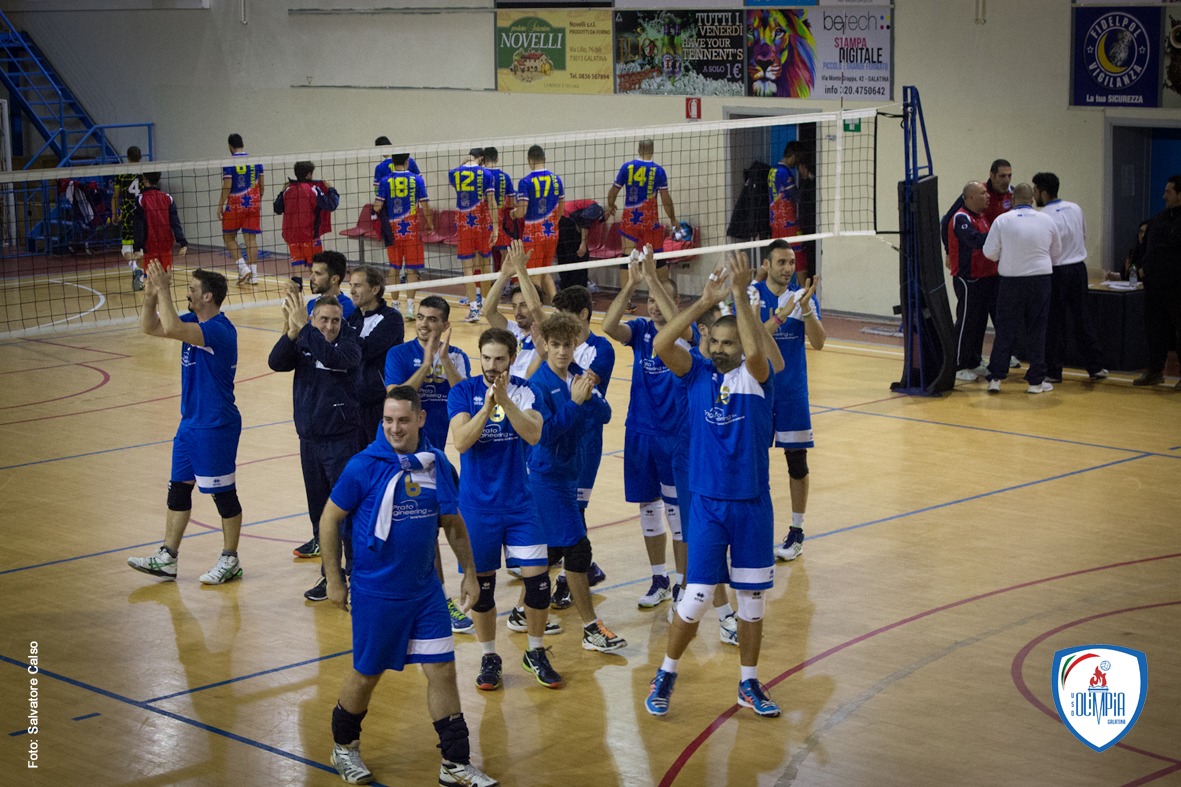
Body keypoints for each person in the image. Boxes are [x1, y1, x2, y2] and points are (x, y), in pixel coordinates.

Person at [319, 387, 498, 787]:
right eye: (388, 420)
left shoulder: (435, 465)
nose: (395, 428)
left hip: (425, 593)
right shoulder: (363, 467)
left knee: (443, 671)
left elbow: (452, 523)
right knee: (367, 675)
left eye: (402, 420)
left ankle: (454, 762)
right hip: (376, 594)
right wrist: (334, 578)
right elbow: (329, 519)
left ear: (420, 419)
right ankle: (343, 747)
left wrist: (469, 572)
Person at [645, 253, 779, 718]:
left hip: (752, 505)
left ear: (741, 345)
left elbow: (758, 355)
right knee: (697, 596)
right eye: (715, 341)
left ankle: (748, 683)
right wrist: (703, 302)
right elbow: (662, 342)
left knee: (751, 601)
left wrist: (739, 295)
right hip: (706, 505)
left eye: (729, 343)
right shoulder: (696, 375)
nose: (720, 349)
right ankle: (666, 672)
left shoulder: (757, 378)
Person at [448, 327, 563, 690]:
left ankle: (535, 651)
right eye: (486, 358)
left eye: (500, 359)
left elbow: (533, 434)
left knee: (539, 583)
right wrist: (487, 407)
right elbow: (461, 442)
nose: (492, 366)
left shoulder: (528, 391)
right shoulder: (462, 392)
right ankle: (489, 657)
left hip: (520, 506)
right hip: (477, 508)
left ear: (513, 358)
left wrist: (505, 402)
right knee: (482, 590)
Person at [128, 264, 244, 585]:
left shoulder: (219, 330)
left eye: (192, 289)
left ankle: (230, 559)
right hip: (189, 425)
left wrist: (163, 289)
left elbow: (172, 327)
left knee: (223, 495)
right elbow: (151, 326)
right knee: (178, 489)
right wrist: (151, 294)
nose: (187, 293)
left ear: (208, 296)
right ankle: (167, 557)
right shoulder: (193, 322)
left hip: (215, 425)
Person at [601, 245, 694, 609]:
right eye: (650, 299)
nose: (654, 305)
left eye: (660, 299)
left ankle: (683, 583)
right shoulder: (639, 329)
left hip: (674, 435)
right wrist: (632, 283)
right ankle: (659, 579)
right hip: (639, 432)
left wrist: (653, 277)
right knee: (648, 509)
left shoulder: (687, 333)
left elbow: (680, 327)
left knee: (677, 514)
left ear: (675, 301)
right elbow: (608, 327)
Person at [528, 311, 625, 654]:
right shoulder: (537, 385)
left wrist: (589, 395)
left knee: (551, 551)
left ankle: (522, 611)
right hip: (546, 476)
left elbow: (606, 414)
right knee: (577, 549)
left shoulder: (578, 375)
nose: (561, 351)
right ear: (545, 345)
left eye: (567, 345)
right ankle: (591, 628)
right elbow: (545, 435)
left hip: (569, 475)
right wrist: (574, 402)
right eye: (555, 345)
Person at [384, 295, 474, 633]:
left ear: (445, 325)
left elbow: (465, 395)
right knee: (425, 528)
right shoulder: (398, 354)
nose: (423, 323)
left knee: (438, 525)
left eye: (432, 319)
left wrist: (443, 358)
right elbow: (397, 399)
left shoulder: (458, 356)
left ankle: (432, 598)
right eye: (420, 317)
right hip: (404, 457)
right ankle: (436, 601)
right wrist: (425, 365)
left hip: (436, 456)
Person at [269, 292, 362, 599]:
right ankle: (330, 576)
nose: (330, 326)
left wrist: (306, 329)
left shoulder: (349, 344)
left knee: (346, 514)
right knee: (320, 515)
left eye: (335, 320)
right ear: (313, 318)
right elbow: (276, 363)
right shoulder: (305, 338)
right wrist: (291, 333)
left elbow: (333, 358)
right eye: (324, 320)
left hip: (341, 442)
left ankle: (357, 576)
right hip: (309, 442)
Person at [752, 240, 824, 562]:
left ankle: (797, 532)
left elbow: (819, 343)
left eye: (792, 262)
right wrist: (781, 315)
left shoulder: (801, 297)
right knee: (753, 462)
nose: (788, 268)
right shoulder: (752, 295)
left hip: (792, 392)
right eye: (781, 262)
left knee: (797, 462)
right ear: (767, 264)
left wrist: (805, 310)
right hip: (757, 392)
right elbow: (752, 338)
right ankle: (754, 530)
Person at [548, 284, 614, 603]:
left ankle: (569, 577)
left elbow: (583, 387)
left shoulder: (601, 349)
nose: (558, 322)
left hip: (586, 440)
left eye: (564, 316)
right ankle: (584, 568)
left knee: (574, 509)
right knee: (562, 508)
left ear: (584, 315)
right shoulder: (560, 346)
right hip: (560, 437)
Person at [983, 183, 1061, 394]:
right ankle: (1036, 382)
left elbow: (989, 252)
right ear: (1032, 200)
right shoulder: (1047, 220)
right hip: (1040, 280)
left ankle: (996, 378)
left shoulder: (1003, 220)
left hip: (1011, 281)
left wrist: (1006, 256)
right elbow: (1056, 252)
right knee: (1037, 330)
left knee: (1005, 330)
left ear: (1013, 199)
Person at [1032, 172, 1108, 384]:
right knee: (1083, 317)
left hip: (1057, 270)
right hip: (1078, 269)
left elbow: (1046, 247)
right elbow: (1083, 235)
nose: (1034, 195)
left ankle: (1054, 371)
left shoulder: (1044, 216)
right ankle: (1095, 366)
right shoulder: (1075, 208)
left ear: (1044, 193)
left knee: (1055, 322)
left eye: (1035, 190)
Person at [606, 139, 677, 309]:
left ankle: (626, 302)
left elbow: (613, 190)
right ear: (652, 150)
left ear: (638, 150)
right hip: (649, 221)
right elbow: (666, 199)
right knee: (658, 260)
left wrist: (611, 205)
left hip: (630, 220)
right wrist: (673, 218)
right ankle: (665, 299)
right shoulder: (658, 171)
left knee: (627, 259)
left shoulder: (627, 167)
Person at [1133, 174, 1181, 390]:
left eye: (1169, 192)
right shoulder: (1158, 218)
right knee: (1155, 331)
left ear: (1180, 195)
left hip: (1177, 286)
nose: (1164, 196)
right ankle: (1154, 372)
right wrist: (1141, 266)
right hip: (1154, 285)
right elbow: (1144, 245)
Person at [947, 181, 998, 381]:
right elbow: (975, 240)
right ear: (970, 197)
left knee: (979, 322)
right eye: (983, 193)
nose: (988, 196)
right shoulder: (961, 218)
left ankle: (974, 360)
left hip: (985, 277)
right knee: (966, 321)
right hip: (968, 279)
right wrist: (999, 236)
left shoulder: (983, 217)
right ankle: (957, 365)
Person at [347, 265, 405, 437]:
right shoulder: (352, 319)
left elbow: (364, 350)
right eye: (351, 285)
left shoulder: (391, 319)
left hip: (379, 404)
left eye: (357, 285)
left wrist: (344, 332)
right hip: (353, 403)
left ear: (374, 289)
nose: (352, 291)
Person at [375, 153, 433, 318]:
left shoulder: (385, 180)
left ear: (392, 162)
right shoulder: (417, 179)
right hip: (412, 231)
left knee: (394, 268)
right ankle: (410, 307)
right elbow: (425, 205)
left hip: (393, 232)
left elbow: (377, 206)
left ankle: (395, 305)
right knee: (411, 269)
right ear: (407, 162)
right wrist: (430, 224)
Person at [482, 240, 545, 379]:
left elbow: (534, 307)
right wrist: (504, 274)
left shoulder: (546, 329)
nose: (518, 312)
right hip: (508, 388)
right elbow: (487, 311)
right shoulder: (511, 330)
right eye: (514, 306)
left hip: (532, 388)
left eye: (523, 305)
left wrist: (521, 268)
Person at [449, 148, 498, 322]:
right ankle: (486, 306)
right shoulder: (487, 174)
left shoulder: (454, 173)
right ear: (482, 158)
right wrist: (496, 228)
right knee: (485, 266)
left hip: (464, 226)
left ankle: (473, 310)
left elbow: (459, 176)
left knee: (468, 269)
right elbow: (492, 203)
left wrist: (465, 162)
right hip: (482, 225)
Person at [514, 145, 564, 304]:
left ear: (529, 160)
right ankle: (557, 307)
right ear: (544, 159)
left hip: (533, 236)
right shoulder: (556, 180)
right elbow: (561, 210)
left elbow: (521, 212)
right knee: (545, 271)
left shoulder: (525, 182)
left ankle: (535, 310)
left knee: (533, 275)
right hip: (552, 233)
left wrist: (512, 213)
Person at [274, 161, 339, 270]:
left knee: (297, 267)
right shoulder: (312, 190)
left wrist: (281, 191)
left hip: (292, 237)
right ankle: (314, 282)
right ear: (309, 174)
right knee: (315, 268)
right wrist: (331, 188)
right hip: (310, 236)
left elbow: (277, 209)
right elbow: (331, 205)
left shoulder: (288, 190)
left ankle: (297, 282)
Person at [218, 133, 263, 286]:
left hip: (235, 206)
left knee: (228, 237)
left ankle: (243, 268)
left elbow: (227, 186)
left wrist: (220, 205)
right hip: (253, 204)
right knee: (251, 239)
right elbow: (261, 186)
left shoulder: (229, 162)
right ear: (242, 144)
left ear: (230, 146)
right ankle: (254, 275)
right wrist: (257, 201)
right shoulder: (256, 161)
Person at [767, 140, 811, 277]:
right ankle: (804, 289)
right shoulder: (785, 173)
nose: (798, 164)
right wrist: (805, 179)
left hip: (775, 223)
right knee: (800, 260)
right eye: (798, 159)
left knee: (777, 260)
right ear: (794, 156)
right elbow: (797, 197)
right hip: (789, 224)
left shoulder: (772, 170)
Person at [131, 171, 188, 273]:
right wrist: (183, 243)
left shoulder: (141, 199)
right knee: (165, 278)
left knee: (150, 279)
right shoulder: (168, 198)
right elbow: (175, 223)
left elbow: (138, 226)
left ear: (145, 180)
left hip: (149, 247)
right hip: (166, 247)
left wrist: (137, 248)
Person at [112, 146, 145, 290]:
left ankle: (134, 268)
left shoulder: (121, 173)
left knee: (126, 248)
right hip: (142, 214)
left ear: (127, 157)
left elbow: (115, 196)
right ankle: (141, 280)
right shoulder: (145, 172)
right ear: (141, 156)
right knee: (141, 249)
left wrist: (115, 214)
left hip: (127, 215)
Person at [482, 146, 517, 278]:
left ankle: (482, 286)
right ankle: (503, 284)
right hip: (501, 218)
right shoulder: (505, 177)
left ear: (483, 159)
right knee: (505, 254)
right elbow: (513, 203)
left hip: (483, 218)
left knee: (482, 256)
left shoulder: (480, 176)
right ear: (497, 159)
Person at [298, 251, 355, 320]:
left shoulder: (347, 309)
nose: (311, 277)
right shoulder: (312, 303)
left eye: (318, 274)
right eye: (312, 272)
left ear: (334, 279)